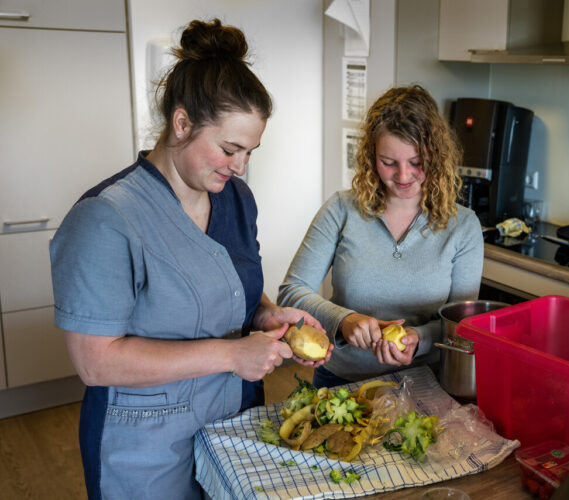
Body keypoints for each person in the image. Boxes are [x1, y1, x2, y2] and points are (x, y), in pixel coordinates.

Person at [49, 19, 330, 499]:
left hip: (233, 427)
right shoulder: (106, 219)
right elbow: (96, 363)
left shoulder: (236, 199)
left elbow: (227, 284)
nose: (240, 166)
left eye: (250, 152)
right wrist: (231, 354)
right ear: (181, 123)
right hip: (146, 447)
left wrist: (266, 313)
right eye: (229, 149)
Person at [277, 85, 484, 388]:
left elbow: (462, 324)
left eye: (416, 162)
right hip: (340, 381)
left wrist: (420, 338)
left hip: (425, 384)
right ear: (371, 157)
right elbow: (292, 291)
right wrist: (344, 321)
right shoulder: (341, 209)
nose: (402, 176)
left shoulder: (463, 226)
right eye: (389, 163)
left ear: (436, 157)